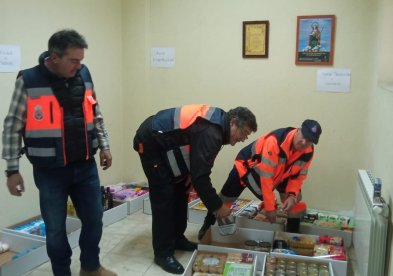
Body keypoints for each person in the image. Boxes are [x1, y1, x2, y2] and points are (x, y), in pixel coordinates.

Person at [2, 29, 117, 276]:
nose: (79, 65)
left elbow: (95, 112)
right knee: (55, 230)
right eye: (74, 60)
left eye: (81, 60)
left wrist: (104, 145)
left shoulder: (83, 74)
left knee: (95, 221)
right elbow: (12, 126)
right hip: (50, 172)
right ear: (54, 58)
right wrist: (12, 169)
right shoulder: (29, 81)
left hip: (85, 166)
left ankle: (90, 267)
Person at [133, 104, 257, 274]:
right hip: (150, 142)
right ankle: (162, 254)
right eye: (244, 133)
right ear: (233, 122)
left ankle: (177, 238)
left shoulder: (219, 126)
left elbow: (203, 161)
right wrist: (218, 207)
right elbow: (201, 179)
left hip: (167, 144)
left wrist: (193, 173)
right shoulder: (212, 131)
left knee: (181, 189)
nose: (243, 139)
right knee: (164, 196)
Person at [198, 119, 322, 240]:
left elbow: (298, 177)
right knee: (225, 199)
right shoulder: (275, 141)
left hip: (280, 173)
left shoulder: (308, 151)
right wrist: (270, 208)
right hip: (248, 167)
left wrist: (292, 195)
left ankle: (292, 237)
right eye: (304, 136)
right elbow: (266, 177)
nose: (304, 142)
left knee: (295, 200)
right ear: (298, 130)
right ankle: (207, 225)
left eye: (310, 141)